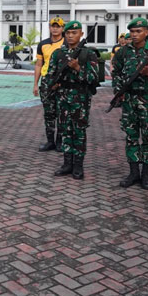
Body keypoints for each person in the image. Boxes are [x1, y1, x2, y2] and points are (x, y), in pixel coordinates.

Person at [111, 17, 148, 190]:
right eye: (132, 31)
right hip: (129, 100)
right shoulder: (123, 52)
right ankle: (134, 173)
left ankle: (146, 175)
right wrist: (118, 91)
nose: (134, 34)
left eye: (138, 31)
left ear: (146, 33)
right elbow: (116, 73)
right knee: (131, 136)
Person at [48, 21, 99, 180]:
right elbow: (50, 74)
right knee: (65, 130)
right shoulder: (58, 53)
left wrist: (78, 68)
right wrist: (52, 84)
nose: (70, 36)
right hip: (62, 97)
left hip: (80, 98)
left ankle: (78, 165)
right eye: (68, 33)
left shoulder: (88, 54)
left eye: (74, 33)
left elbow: (94, 78)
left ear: (81, 34)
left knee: (79, 132)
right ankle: (67, 163)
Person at [33, 17, 65, 152]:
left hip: (62, 81)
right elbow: (39, 64)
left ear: (62, 28)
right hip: (47, 81)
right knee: (49, 113)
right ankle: (50, 141)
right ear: (50, 27)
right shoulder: (43, 44)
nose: (55, 29)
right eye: (53, 26)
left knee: (62, 112)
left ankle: (60, 142)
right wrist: (35, 84)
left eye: (58, 26)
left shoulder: (66, 43)